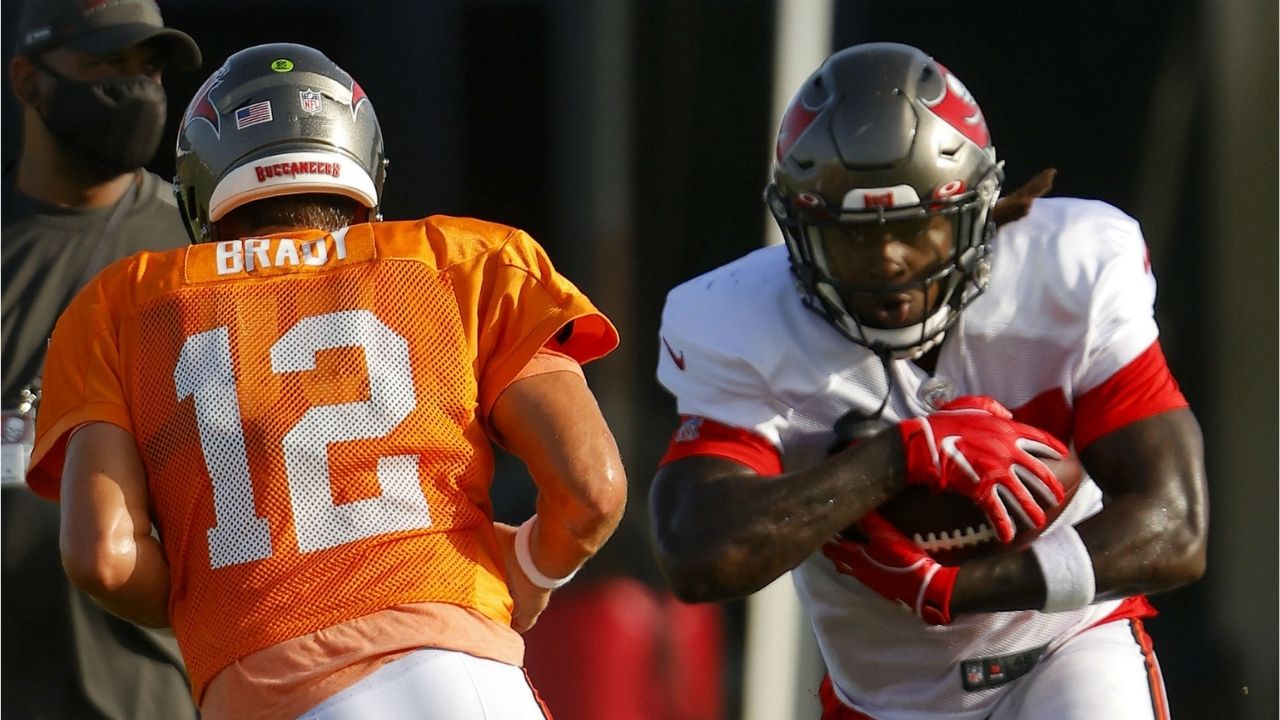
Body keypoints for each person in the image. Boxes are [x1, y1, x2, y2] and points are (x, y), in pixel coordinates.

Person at [24, 42, 627, 720]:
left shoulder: (119, 307)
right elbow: (592, 489)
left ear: (198, 184)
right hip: (465, 679)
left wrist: (231, 606)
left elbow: (104, 556)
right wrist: (534, 569)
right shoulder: (468, 260)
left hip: (273, 694)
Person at [649, 42, 1207, 720]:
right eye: (854, 237)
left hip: (1065, 647)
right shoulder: (743, 322)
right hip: (887, 697)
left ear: (979, 212)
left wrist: (953, 590)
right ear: (799, 229)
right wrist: (900, 457)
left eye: (917, 231)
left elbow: (1174, 528)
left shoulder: (1069, 269)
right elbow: (701, 554)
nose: (889, 263)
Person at [1, 0, 202, 716]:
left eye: (148, 68)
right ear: (29, 81)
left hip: (147, 691)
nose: (137, 87)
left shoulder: (199, 248)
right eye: (107, 64)